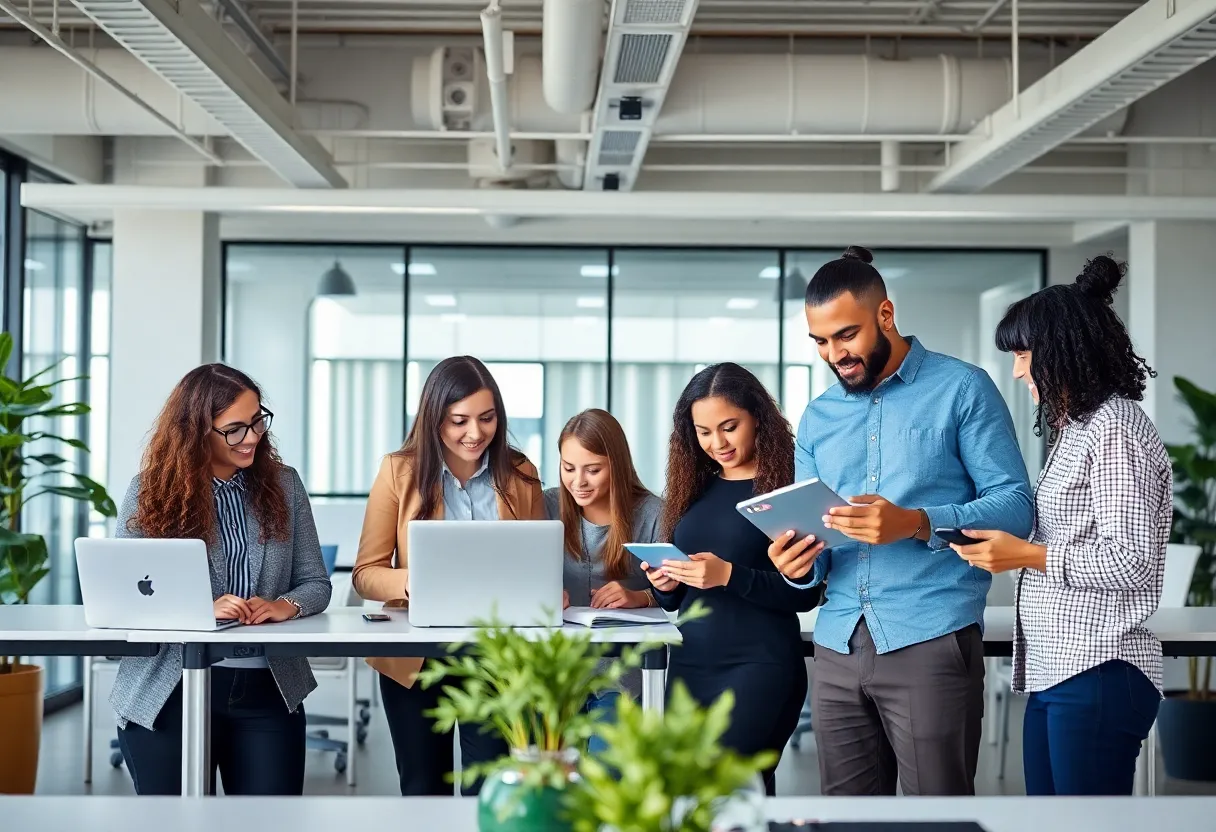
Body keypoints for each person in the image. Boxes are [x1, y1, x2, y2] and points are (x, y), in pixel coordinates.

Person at [767, 245, 1034, 796]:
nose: (834, 354)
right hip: (837, 645)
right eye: (820, 341)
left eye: (847, 335)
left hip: (930, 636)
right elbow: (816, 548)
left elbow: (1015, 507)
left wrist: (916, 522)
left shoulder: (962, 388)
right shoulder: (817, 418)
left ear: (885, 314)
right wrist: (797, 566)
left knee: (938, 816)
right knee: (845, 822)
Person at [951, 255, 1171, 796]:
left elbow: (1132, 561)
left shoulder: (1115, 428)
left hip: (1099, 668)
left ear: (1062, 350)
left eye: (1023, 355)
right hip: (1059, 669)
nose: (1017, 370)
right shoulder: (1078, 428)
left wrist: (1026, 554)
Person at [109, 364, 332, 796]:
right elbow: (125, 598)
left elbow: (315, 583)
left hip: (268, 688)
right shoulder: (149, 491)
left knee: (270, 823)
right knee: (174, 823)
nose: (252, 437)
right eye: (234, 430)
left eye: (257, 421)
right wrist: (198, 610)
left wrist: (285, 606)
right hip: (167, 688)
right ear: (195, 431)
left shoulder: (284, 485)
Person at [352, 355, 545, 796]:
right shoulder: (398, 471)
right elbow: (366, 573)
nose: (475, 433)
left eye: (487, 418)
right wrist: (408, 583)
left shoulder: (521, 474)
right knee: (424, 789)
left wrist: (545, 590)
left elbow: (535, 561)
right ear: (434, 418)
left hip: (497, 655)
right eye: (459, 421)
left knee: (490, 788)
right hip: (416, 657)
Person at [641, 363, 821, 796]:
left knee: (732, 791)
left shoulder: (787, 488)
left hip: (759, 665)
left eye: (729, 427)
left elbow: (806, 594)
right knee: (692, 798)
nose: (717, 443)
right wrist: (665, 587)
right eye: (703, 432)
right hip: (690, 664)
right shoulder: (693, 488)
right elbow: (681, 597)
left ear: (757, 417)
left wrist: (729, 575)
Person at [543, 408, 662, 748]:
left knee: (603, 768)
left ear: (617, 465)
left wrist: (641, 596)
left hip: (621, 675)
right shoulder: (545, 506)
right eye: (568, 468)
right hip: (556, 672)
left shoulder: (653, 513)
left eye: (593, 470)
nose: (578, 481)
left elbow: (677, 590)